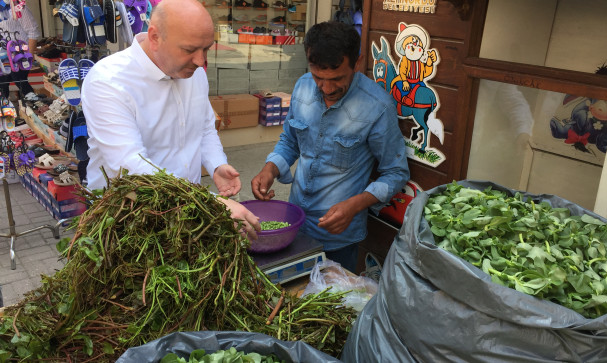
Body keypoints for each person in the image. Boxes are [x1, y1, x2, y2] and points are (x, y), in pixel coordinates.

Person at [81, 0, 260, 237]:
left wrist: (216, 164)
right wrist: (210, 203)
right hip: (124, 222)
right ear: (155, 37)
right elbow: (130, 165)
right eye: (189, 50)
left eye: (206, 49)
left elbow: (204, 127)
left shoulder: (193, 72)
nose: (200, 61)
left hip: (187, 214)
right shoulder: (108, 81)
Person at [251, 21, 410, 273]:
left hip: (339, 237)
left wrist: (356, 205)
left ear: (356, 63)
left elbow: (396, 173)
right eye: (318, 77)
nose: (326, 88)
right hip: (294, 223)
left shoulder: (377, 107)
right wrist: (270, 169)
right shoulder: (303, 86)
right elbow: (290, 141)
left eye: (337, 79)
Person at [0, 4, 40, 102]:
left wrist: (29, 55)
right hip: (3, 56)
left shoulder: (19, 7)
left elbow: (33, 31)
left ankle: (36, 107)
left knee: (22, 85)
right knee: (2, 88)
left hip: (19, 55)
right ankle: (5, 114)